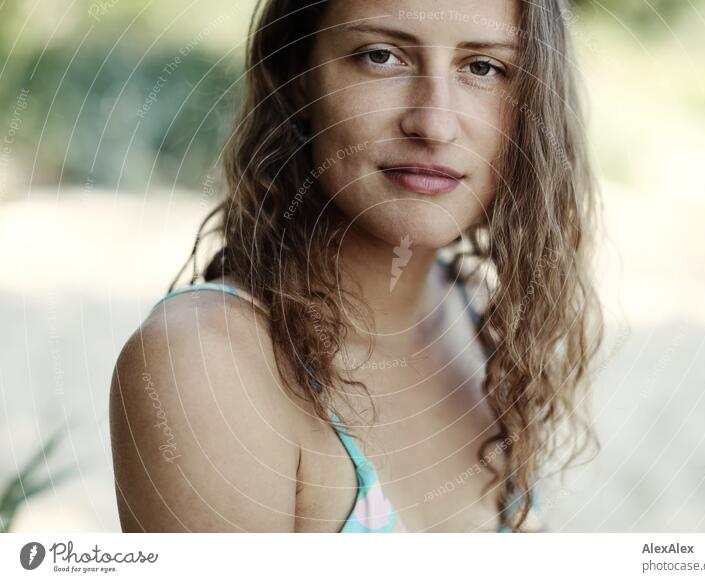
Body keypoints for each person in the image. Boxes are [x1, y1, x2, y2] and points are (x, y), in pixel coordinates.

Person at [109, 0, 604, 533]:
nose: (433, 123)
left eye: (483, 67)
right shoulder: (205, 365)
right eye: (380, 56)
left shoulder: (472, 317)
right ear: (298, 79)